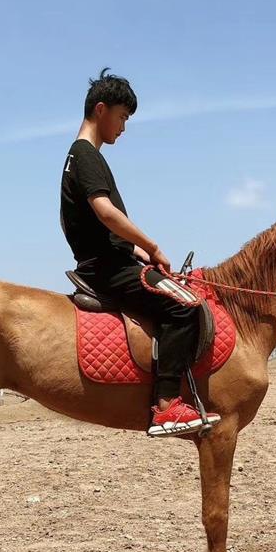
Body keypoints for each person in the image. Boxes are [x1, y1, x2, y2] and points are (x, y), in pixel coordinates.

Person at [60, 68, 221, 437]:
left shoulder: (84, 156)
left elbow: (98, 227)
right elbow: (106, 213)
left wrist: (138, 251)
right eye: (122, 117)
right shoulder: (85, 154)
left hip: (111, 258)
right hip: (107, 269)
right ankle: (166, 406)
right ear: (101, 110)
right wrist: (151, 245)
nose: (123, 127)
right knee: (185, 306)